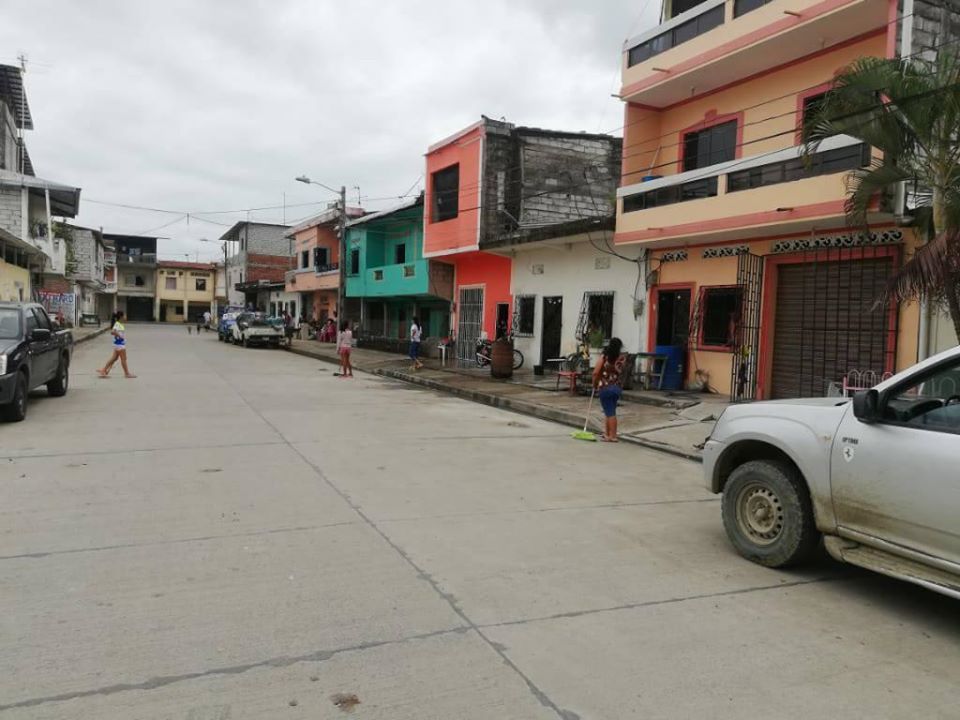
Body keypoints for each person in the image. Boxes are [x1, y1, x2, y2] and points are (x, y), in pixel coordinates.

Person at [592, 337, 625, 442]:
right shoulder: (621, 358)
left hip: (605, 387)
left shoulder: (605, 357)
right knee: (609, 410)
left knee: (610, 413)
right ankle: (607, 433)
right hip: (616, 387)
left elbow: (596, 372)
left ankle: (613, 436)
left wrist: (594, 383)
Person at [98, 310, 136, 379]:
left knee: (114, 358)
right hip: (119, 344)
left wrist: (120, 336)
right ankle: (127, 373)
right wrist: (119, 335)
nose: (125, 317)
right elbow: (112, 332)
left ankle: (104, 370)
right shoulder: (117, 324)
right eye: (124, 315)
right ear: (121, 317)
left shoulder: (119, 324)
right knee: (123, 359)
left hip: (118, 344)